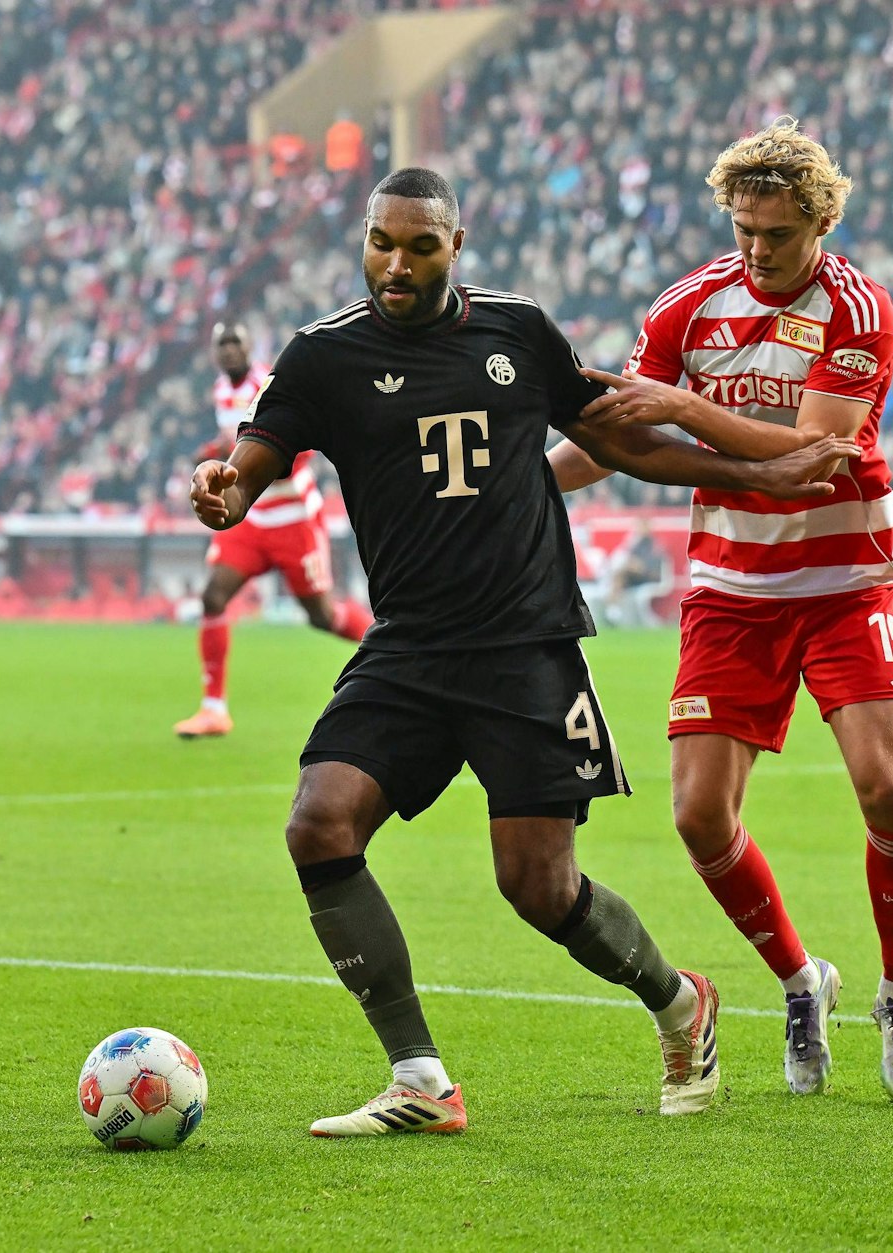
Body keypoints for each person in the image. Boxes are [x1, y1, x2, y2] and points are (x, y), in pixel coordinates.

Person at [190, 167, 856, 1136]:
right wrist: (225, 489)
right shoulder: (323, 355)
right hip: (409, 648)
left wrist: (764, 471)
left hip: (524, 643)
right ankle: (421, 1077)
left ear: (454, 247)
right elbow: (253, 460)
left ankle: (681, 1002)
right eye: (381, 242)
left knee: (538, 886)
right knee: (318, 824)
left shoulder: (516, 331)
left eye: (420, 246)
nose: (396, 264)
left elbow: (620, 442)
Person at [548, 118, 893, 1103]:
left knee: (886, 791)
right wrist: (526, 486)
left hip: (843, 579)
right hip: (730, 590)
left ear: (820, 222)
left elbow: (808, 450)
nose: (757, 250)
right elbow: (614, 436)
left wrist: (680, 407)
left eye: (777, 233)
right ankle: (801, 982)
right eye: (743, 230)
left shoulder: (858, 309)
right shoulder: (688, 305)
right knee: (696, 813)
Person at [173, 320, 375, 739]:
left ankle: (392, 648)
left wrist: (246, 458)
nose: (229, 350)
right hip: (251, 517)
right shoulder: (221, 391)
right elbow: (235, 441)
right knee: (213, 597)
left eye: (236, 342)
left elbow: (298, 450)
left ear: (251, 348)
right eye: (222, 344)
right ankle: (214, 710)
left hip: (293, 518)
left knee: (322, 616)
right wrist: (216, 452)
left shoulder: (272, 385)